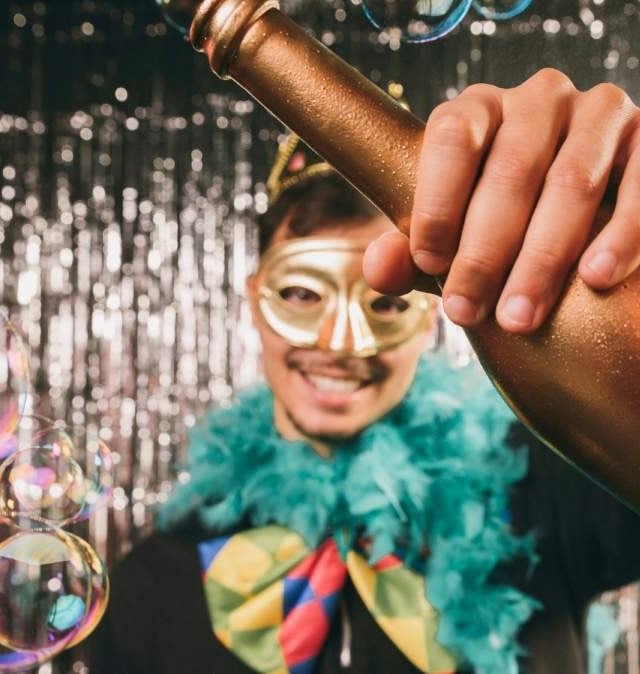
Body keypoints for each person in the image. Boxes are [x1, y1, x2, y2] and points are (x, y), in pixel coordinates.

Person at [88, 71, 640, 674]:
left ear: (431, 316)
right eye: (302, 294)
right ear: (254, 301)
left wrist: (620, 270)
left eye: (387, 302)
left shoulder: (551, 488)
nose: (340, 345)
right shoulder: (152, 587)